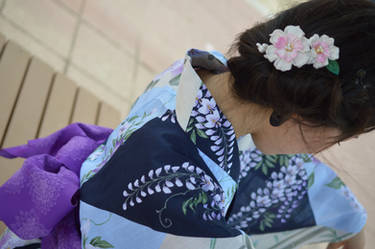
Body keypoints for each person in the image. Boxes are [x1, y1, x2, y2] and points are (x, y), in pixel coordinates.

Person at [0, 0, 374, 248]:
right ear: (300, 115)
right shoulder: (187, 204)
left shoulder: (204, 72)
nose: (325, 151)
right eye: (337, 140)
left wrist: (350, 220)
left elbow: (286, 174)